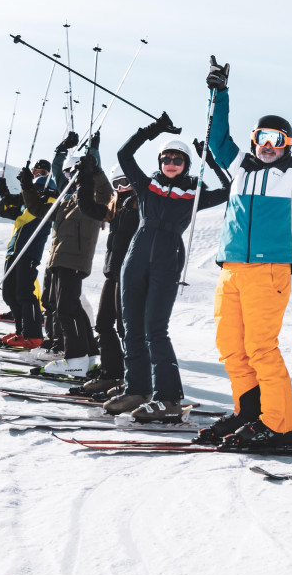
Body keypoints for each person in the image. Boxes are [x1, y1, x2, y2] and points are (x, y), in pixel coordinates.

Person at [195, 57, 292, 447]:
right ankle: (250, 413)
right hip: (231, 270)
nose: (268, 145)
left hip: (268, 270)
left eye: (277, 140)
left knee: (261, 348)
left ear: (287, 145)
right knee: (231, 349)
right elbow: (216, 139)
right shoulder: (238, 169)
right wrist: (219, 93)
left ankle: (277, 424)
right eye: (262, 137)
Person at [104, 112, 231, 423]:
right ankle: (137, 390)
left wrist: (211, 160)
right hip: (137, 255)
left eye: (178, 159)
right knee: (131, 328)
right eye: (167, 158)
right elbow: (124, 154)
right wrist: (153, 129)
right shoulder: (147, 186)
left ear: (186, 164)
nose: (172, 163)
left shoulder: (194, 193)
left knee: (154, 330)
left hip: (168, 257)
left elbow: (230, 189)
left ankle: (169, 399)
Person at [22, 133, 111, 376]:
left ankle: (75, 358)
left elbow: (106, 190)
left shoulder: (93, 198)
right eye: (70, 174)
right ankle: (90, 355)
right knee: (70, 308)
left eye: (75, 174)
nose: (71, 178)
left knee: (65, 310)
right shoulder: (68, 200)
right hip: (59, 259)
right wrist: (27, 187)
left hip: (75, 258)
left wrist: (94, 169)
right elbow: (39, 209)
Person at [73, 157, 140, 397]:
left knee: (126, 329)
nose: (122, 187)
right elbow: (88, 208)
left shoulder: (141, 204)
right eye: (117, 183)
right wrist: (84, 178)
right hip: (112, 273)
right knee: (102, 324)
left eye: (126, 182)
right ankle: (112, 373)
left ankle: (134, 381)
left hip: (131, 274)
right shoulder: (117, 205)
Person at [0, 159, 54, 349]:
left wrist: (26, 190)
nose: (38, 174)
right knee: (10, 295)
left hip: (29, 250)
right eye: (36, 171)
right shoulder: (27, 201)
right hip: (14, 251)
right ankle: (21, 332)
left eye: (42, 172)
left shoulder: (48, 195)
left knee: (24, 294)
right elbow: (1, 210)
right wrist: (5, 194)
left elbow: (39, 207)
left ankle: (34, 335)